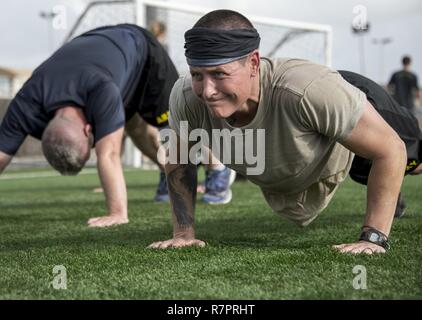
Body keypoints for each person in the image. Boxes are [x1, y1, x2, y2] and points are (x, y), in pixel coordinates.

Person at [148, 9, 422, 254]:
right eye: (198, 75)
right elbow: (179, 158)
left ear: (254, 63)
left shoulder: (309, 92)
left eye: (219, 74)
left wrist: (372, 239)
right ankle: (386, 189)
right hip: (318, 139)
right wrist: (183, 234)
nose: (207, 90)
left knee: (403, 160)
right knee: (366, 170)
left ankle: (390, 189)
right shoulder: (186, 98)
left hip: (351, 104)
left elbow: (390, 149)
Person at [0, 24, 178, 227]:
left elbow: (109, 154)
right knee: (136, 128)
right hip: (106, 56)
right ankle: (169, 173)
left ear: (88, 130)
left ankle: (215, 169)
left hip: (142, 50)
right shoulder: (25, 105)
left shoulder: (100, 89)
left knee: (179, 124)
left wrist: (117, 213)